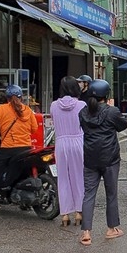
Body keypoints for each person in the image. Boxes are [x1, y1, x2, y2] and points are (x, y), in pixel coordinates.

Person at [78, 79, 127, 245]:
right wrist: (112, 106)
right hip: (110, 157)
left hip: (90, 157)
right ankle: (111, 228)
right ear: (106, 95)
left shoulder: (83, 112)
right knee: (111, 193)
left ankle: (86, 232)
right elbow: (123, 125)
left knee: (89, 194)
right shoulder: (111, 111)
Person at [0, 84, 38, 194]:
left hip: (8, 148)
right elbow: (34, 129)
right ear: (21, 97)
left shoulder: (2, 109)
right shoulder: (28, 110)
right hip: (26, 148)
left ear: (7, 98)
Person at [49, 76, 86, 228]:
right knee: (79, 177)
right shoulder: (81, 104)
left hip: (61, 143)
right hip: (78, 141)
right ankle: (79, 211)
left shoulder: (53, 105)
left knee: (63, 178)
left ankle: (65, 214)